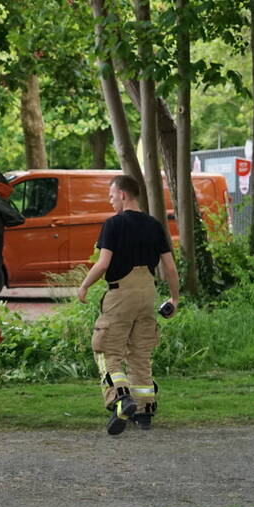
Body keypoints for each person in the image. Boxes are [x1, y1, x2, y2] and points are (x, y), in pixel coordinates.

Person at [77, 174, 179, 435]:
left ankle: (121, 398)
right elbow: (169, 267)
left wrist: (85, 285)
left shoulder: (114, 225)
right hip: (147, 292)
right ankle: (145, 412)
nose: (111, 201)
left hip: (121, 293)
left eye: (112, 196)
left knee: (106, 350)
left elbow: (103, 264)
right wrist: (174, 298)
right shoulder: (155, 225)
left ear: (122, 195)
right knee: (140, 353)